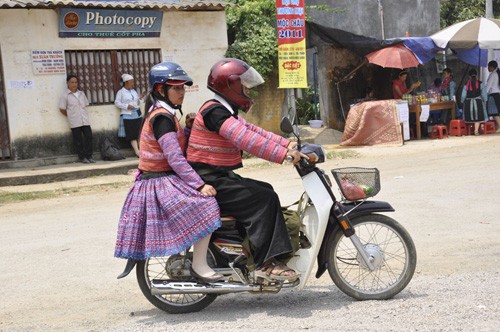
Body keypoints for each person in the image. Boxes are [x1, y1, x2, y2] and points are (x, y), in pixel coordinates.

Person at [186, 58, 307, 282]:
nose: (246, 90)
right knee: (264, 197)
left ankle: (246, 250)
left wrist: (284, 143)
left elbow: (252, 130)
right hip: (208, 179)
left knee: (264, 189)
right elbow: (244, 139)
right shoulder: (215, 112)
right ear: (229, 85)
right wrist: (283, 154)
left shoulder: (223, 110)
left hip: (216, 176)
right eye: (243, 86)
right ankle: (266, 263)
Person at [114, 62, 223, 283]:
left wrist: (189, 127)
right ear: (160, 90)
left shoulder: (163, 114)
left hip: (161, 178)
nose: (181, 92)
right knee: (206, 204)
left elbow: (175, 145)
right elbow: (174, 157)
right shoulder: (162, 117)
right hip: (158, 181)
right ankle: (200, 265)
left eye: (183, 87)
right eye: (176, 88)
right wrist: (199, 185)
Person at [58, 74, 95, 163]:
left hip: (85, 120)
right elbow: (62, 109)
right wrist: (71, 115)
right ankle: (82, 157)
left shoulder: (82, 94)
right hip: (75, 121)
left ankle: (89, 156)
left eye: (76, 82)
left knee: (89, 137)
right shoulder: (65, 96)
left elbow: (85, 105)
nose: (74, 84)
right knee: (78, 140)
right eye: (72, 82)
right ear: (68, 83)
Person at [114, 74, 146, 157]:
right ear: (126, 82)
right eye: (131, 82)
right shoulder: (121, 92)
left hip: (137, 113)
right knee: (132, 134)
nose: (133, 83)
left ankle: (142, 149)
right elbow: (117, 102)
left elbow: (137, 102)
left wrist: (140, 97)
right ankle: (137, 152)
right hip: (128, 115)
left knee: (139, 132)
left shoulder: (134, 91)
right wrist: (126, 106)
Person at [461, 68, 487, 136]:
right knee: (477, 117)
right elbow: (484, 94)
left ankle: (469, 131)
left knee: (469, 116)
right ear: (476, 75)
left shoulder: (466, 84)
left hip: (468, 102)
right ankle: (476, 131)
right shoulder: (480, 83)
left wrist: (462, 101)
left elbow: (463, 95)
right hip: (478, 102)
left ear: (469, 76)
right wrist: (485, 100)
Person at [486, 60, 500, 131]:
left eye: (488, 66)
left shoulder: (493, 75)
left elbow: (488, 86)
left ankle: (499, 126)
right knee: (496, 111)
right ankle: (497, 127)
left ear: (492, 67)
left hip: (493, 95)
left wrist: (484, 95)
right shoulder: (496, 74)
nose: (488, 68)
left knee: (494, 112)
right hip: (497, 94)